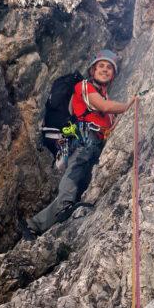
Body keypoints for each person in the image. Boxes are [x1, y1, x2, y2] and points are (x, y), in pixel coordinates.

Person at [21, 50, 134, 238]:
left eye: (109, 68)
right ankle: (65, 205)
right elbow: (104, 107)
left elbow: (109, 124)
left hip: (96, 143)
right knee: (77, 167)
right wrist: (129, 104)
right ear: (92, 70)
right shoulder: (84, 86)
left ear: (114, 74)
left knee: (81, 179)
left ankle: (34, 225)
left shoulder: (106, 99)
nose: (105, 70)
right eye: (101, 66)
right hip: (83, 138)